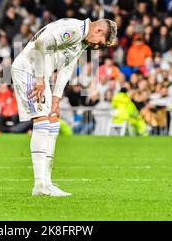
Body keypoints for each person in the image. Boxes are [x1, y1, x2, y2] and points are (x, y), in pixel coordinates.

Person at [11, 17, 117, 197]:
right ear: (98, 30)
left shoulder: (81, 40)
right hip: (28, 70)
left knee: (53, 122)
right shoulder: (74, 29)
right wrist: (38, 80)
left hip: (40, 75)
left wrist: (56, 99)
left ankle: (47, 182)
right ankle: (39, 185)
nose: (98, 47)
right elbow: (39, 45)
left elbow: (67, 69)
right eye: (101, 43)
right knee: (42, 121)